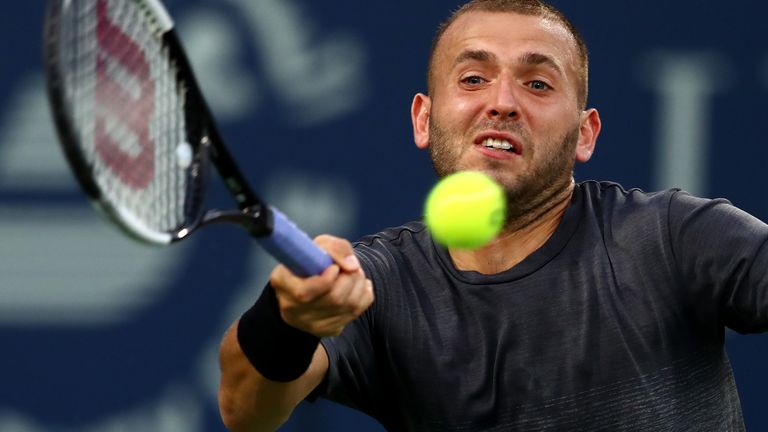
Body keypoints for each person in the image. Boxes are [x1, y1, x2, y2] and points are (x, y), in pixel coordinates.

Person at [218, 0, 768, 430]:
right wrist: (288, 319)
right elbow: (245, 408)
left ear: (585, 134)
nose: (502, 102)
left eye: (537, 84)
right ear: (424, 120)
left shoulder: (672, 236)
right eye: (473, 79)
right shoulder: (375, 284)